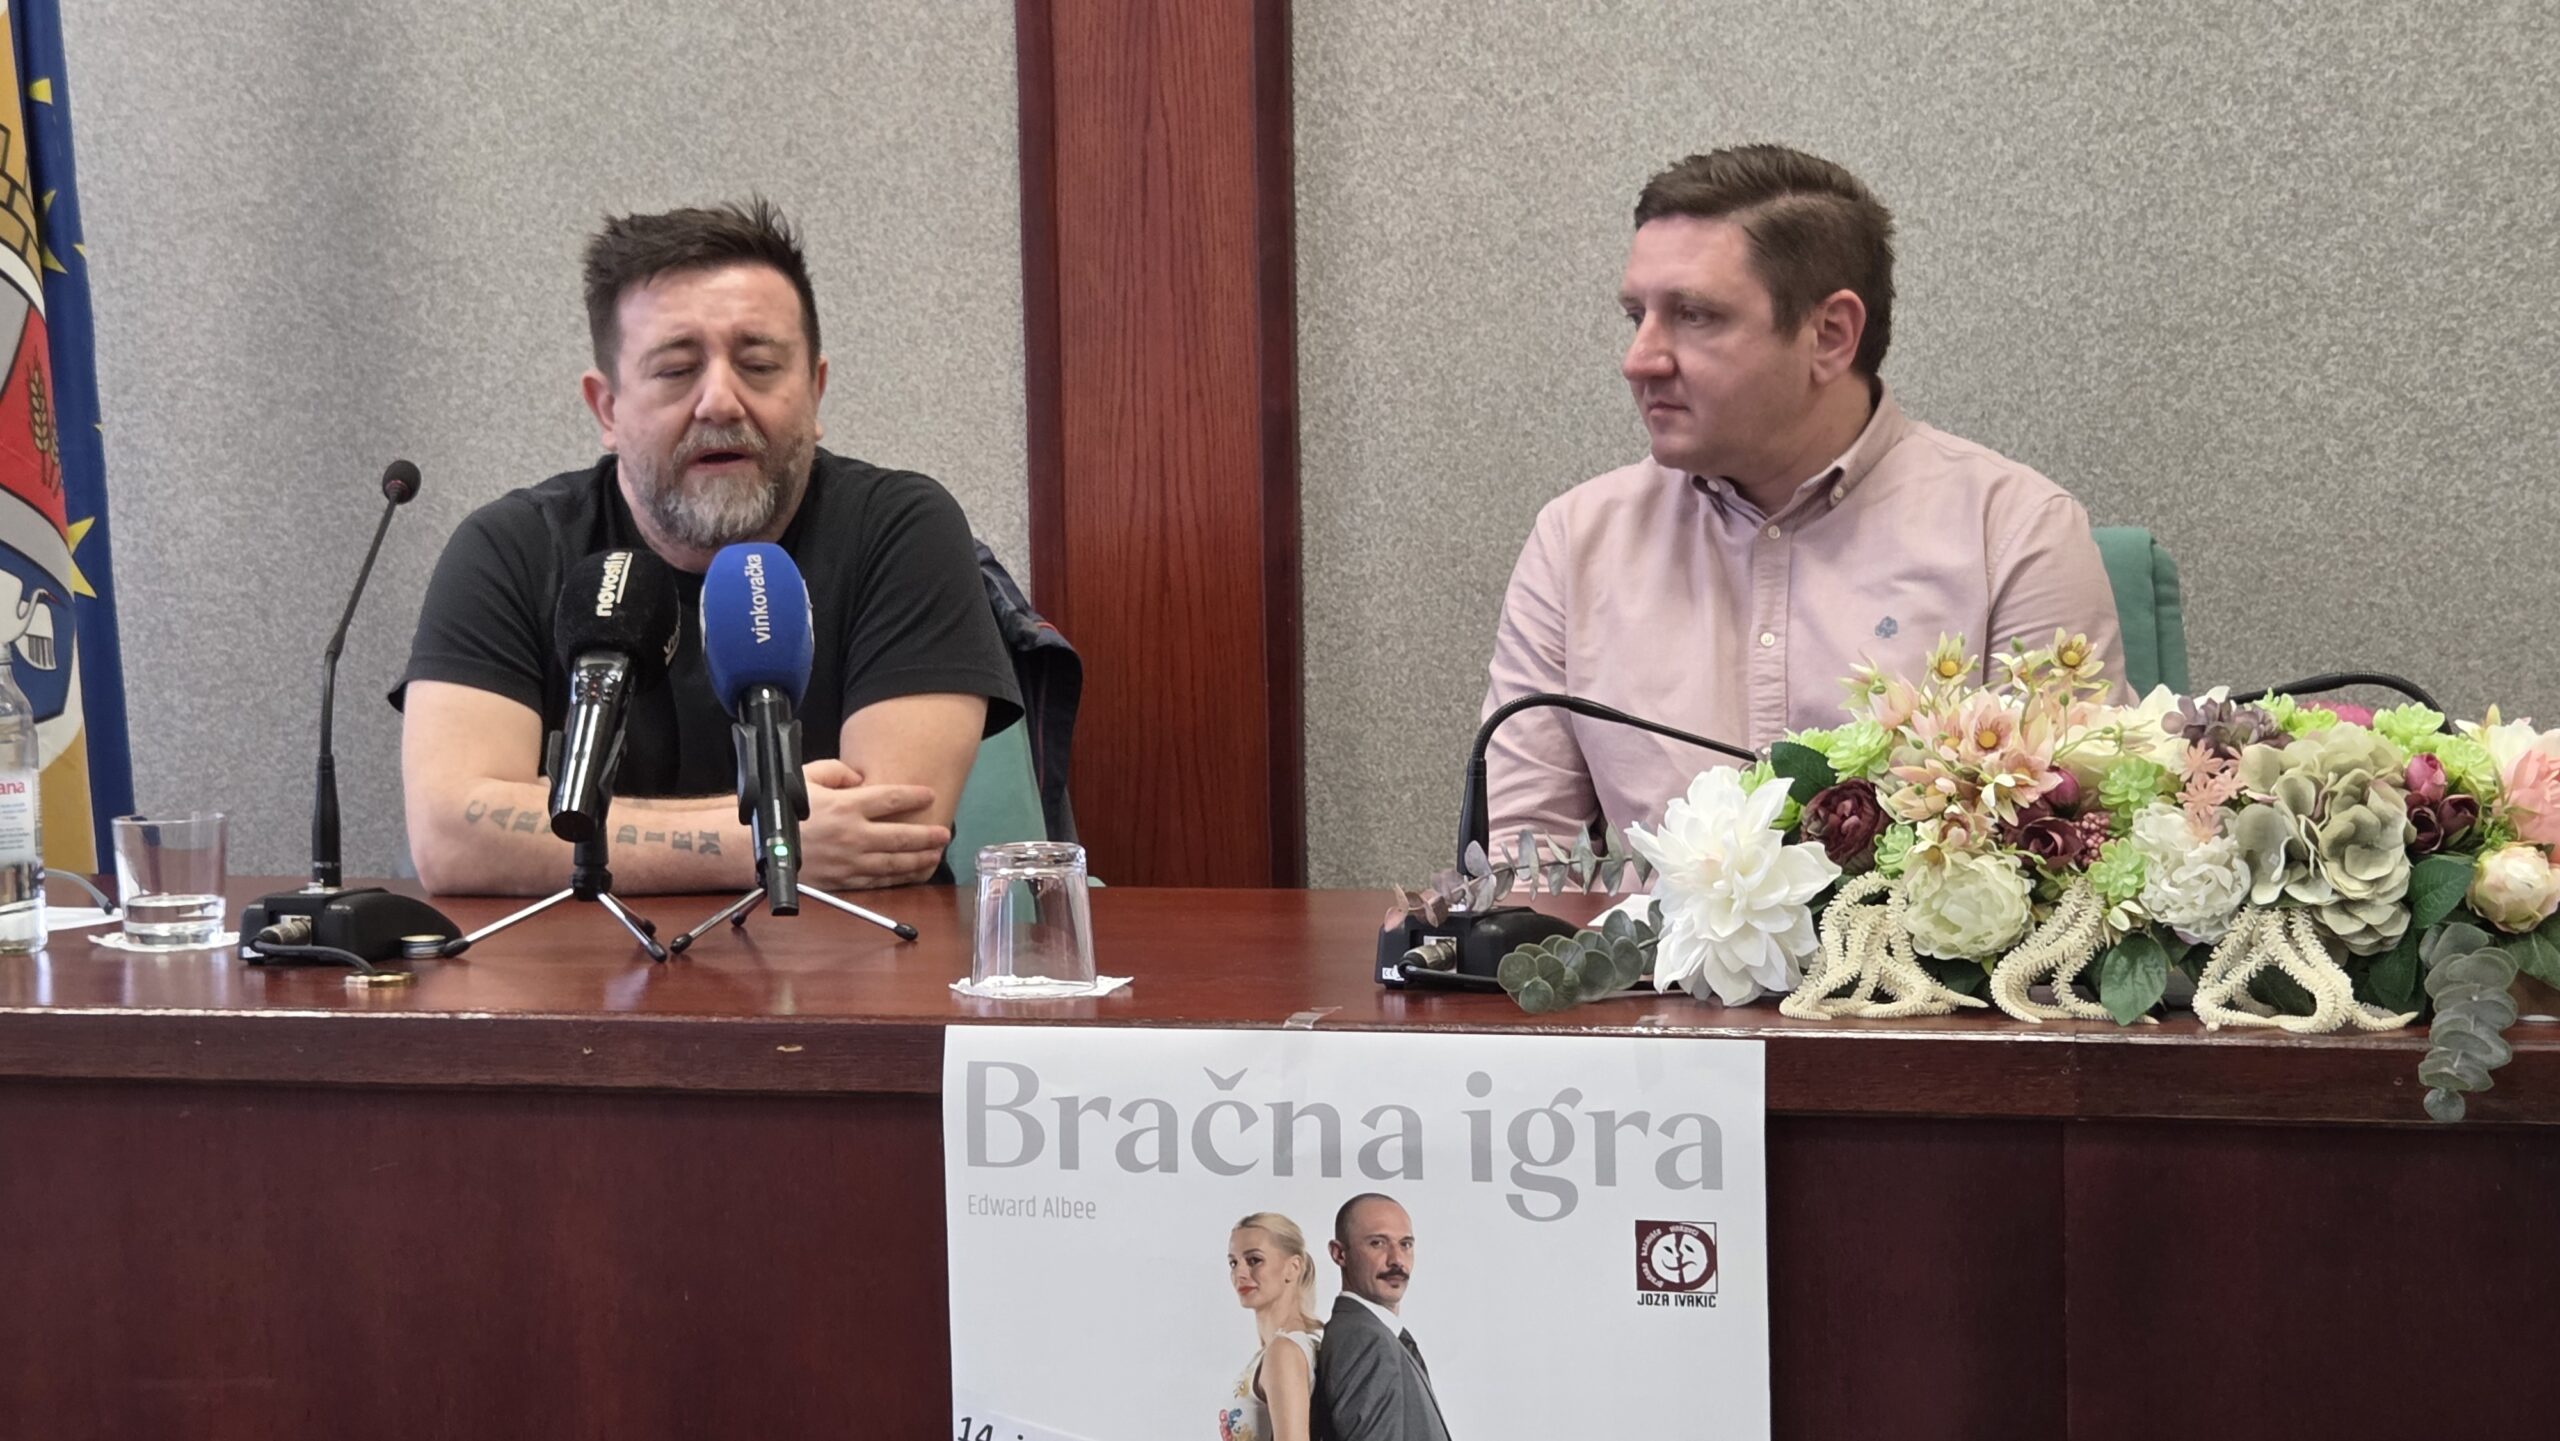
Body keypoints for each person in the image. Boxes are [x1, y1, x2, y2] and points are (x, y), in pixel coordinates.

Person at [1480, 144, 2123, 849]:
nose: (1640, 359)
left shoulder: (2015, 533)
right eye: (1638, 315)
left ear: (1830, 335)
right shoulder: (1577, 542)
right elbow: (1523, 858)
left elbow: (2061, 853)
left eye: (1693, 315)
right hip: (1643, 928)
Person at [396, 200, 1021, 895]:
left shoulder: (901, 529)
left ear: (815, 392)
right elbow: (450, 836)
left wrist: (563, 834)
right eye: (675, 370)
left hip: (845, 955)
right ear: (607, 408)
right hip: (585, 958)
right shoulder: (511, 549)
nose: (720, 401)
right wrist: (759, 842)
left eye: (759, 365)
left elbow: (889, 836)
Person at [1310, 1193, 1450, 1441]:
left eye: (1405, 1244)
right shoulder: (1363, 1338)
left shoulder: (1375, 1335)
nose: (1397, 1260)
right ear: (1339, 1254)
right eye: (1377, 1243)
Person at [1219, 1212, 1325, 1441]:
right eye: (1233, 1263)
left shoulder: (1284, 1351)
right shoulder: (1284, 1347)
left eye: (1254, 1260)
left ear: (1293, 1267)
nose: (1240, 1273)